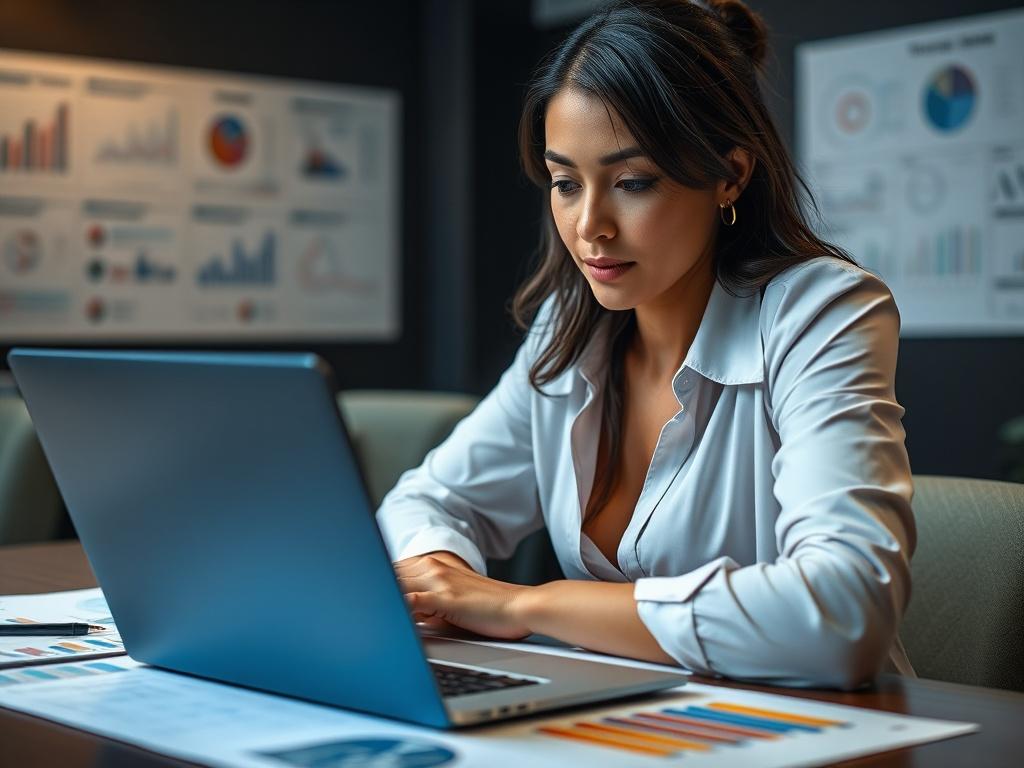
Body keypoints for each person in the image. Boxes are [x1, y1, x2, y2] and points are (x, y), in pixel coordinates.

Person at [377, 0, 915, 689]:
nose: (590, 225)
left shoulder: (820, 313)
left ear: (731, 175)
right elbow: (426, 501)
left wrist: (521, 603)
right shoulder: (568, 337)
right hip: (619, 720)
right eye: (566, 183)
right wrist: (444, 577)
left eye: (633, 182)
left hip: (820, 729)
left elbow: (845, 612)